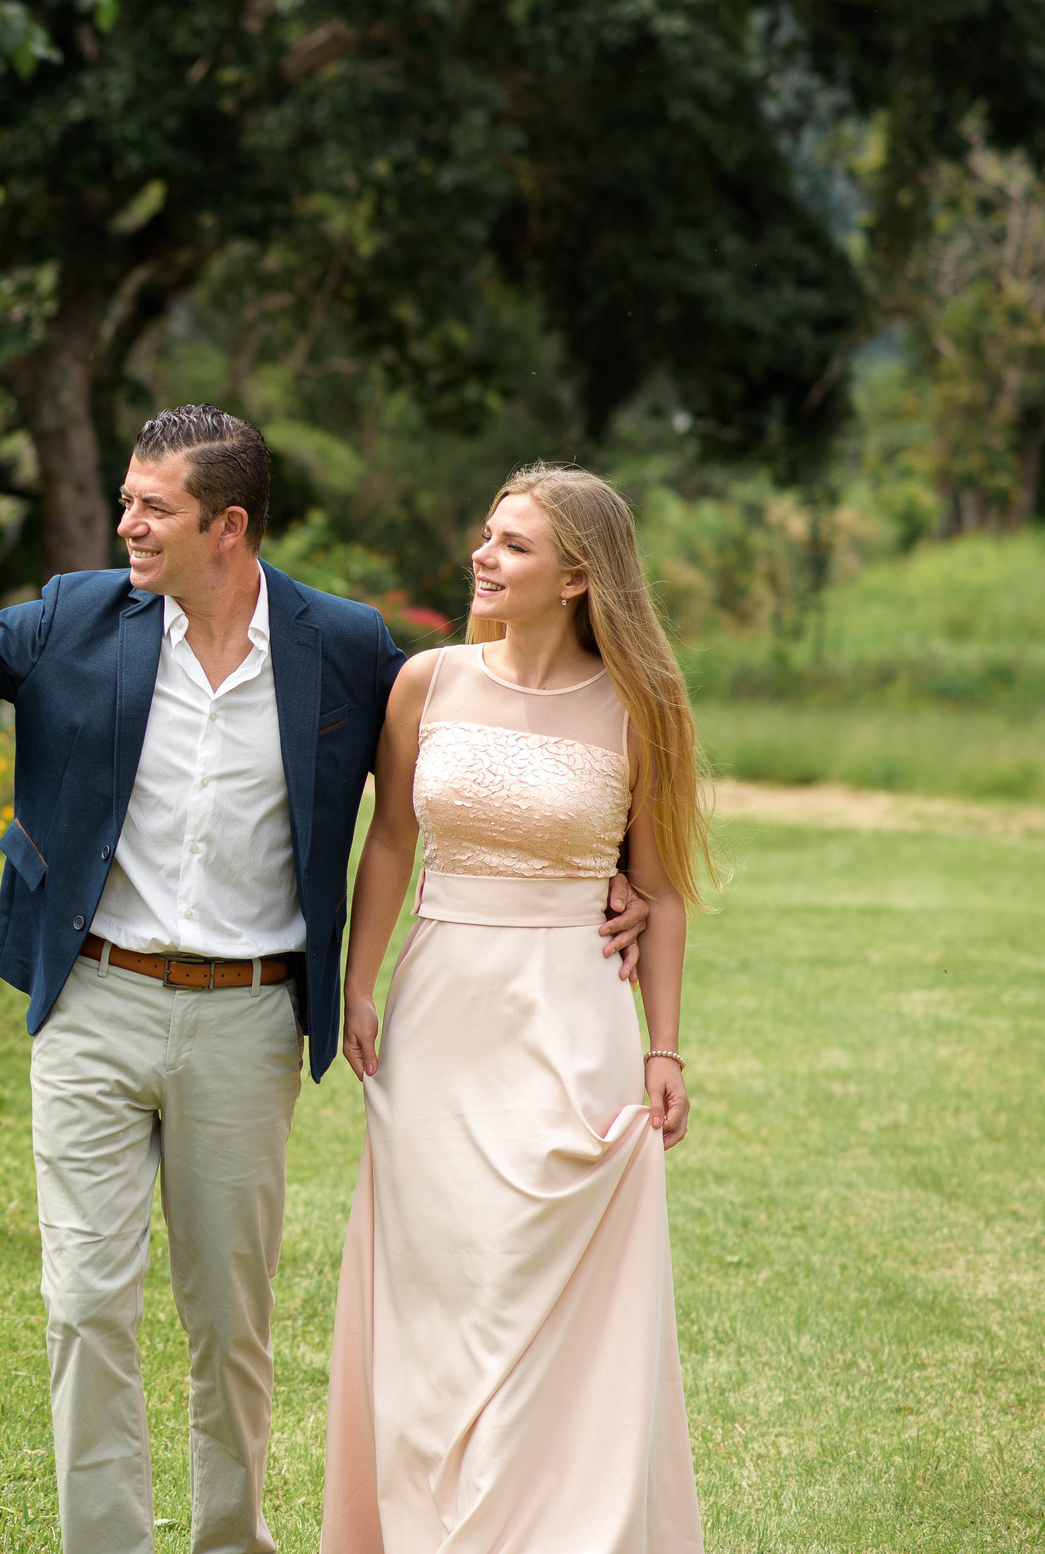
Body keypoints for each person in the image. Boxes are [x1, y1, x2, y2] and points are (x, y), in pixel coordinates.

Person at [0, 408, 652, 1554]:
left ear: (229, 525)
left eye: (153, 506)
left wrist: (616, 874)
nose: (128, 523)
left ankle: (230, 1540)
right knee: (85, 1302)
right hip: (95, 1004)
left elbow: (468, 776)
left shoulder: (346, 647)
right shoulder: (74, 617)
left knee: (229, 1324)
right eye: (126, 499)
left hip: (250, 1018)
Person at [321, 464, 710, 1554]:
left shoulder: (642, 706)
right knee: (440, 1289)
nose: (482, 557)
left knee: (543, 1283)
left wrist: (664, 1045)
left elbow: (663, 887)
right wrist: (360, 980)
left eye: (512, 545)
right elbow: (390, 838)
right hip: (442, 1009)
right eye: (486, 534)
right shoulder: (425, 682)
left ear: (578, 577)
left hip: (574, 1012)